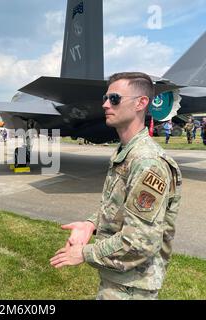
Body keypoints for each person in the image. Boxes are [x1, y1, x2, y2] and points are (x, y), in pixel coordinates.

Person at [50, 72, 182, 300]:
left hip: (133, 287)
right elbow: (119, 207)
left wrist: (84, 253)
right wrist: (90, 224)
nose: (104, 104)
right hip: (121, 278)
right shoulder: (126, 152)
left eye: (114, 99)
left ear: (141, 103)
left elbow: (140, 242)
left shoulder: (147, 162)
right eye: (105, 97)